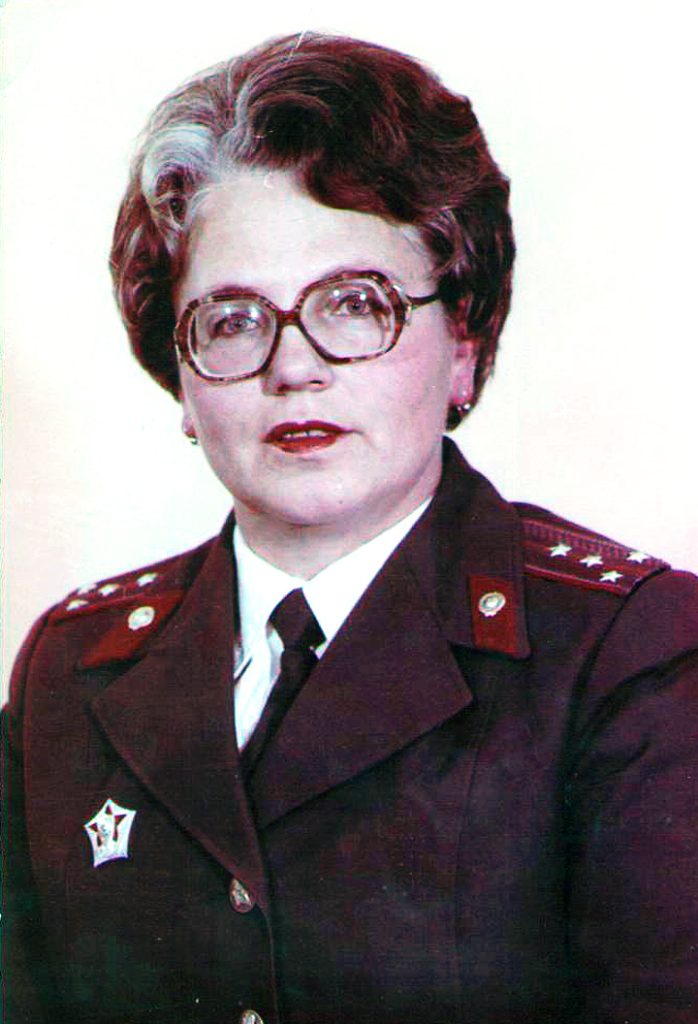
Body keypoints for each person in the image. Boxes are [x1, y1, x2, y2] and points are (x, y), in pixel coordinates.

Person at [2, 31, 697, 1024]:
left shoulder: (629, 652)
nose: (294, 367)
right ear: (182, 380)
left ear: (463, 340)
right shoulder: (72, 672)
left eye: (353, 305)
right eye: (232, 319)